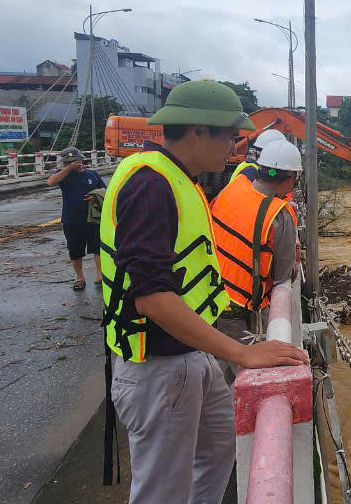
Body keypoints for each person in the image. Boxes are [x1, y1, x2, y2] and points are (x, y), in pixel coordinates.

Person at [98, 80, 308, 503]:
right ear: (198, 131)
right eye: (230, 137)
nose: (234, 149)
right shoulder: (152, 185)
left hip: (191, 353)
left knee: (219, 447)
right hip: (159, 364)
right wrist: (244, 353)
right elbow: (152, 298)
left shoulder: (180, 177)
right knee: (161, 491)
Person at [210, 140, 302, 325]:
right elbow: (282, 275)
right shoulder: (280, 214)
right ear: (291, 179)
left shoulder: (232, 188)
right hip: (242, 314)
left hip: (209, 299)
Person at [46, 147, 105, 291]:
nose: (76, 163)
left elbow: (105, 191)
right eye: (71, 161)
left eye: (77, 160)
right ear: (66, 163)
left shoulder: (92, 174)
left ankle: (100, 276)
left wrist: (95, 197)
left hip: (93, 218)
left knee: (97, 248)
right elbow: (50, 182)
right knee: (75, 250)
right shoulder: (62, 175)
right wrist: (68, 170)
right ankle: (80, 278)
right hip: (71, 220)